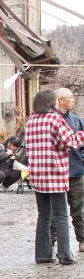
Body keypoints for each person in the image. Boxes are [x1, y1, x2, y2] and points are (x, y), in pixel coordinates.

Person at [25, 88, 84, 265]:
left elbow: (53, 143)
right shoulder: (55, 118)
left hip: (37, 175)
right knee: (61, 215)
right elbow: (71, 142)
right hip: (55, 174)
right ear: (51, 102)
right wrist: (81, 134)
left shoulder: (31, 120)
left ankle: (42, 255)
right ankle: (65, 255)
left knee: (44, 215)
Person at [55, 88, 84, 252]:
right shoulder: (52, 120)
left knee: (79, 210)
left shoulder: (77, 120)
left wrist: (82, 160)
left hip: (76, 171)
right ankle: (53, 242)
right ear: (60, 100)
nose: (73, 100)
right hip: (57, 173)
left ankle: (82, 240)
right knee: (55, 213)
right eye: (70, 97)